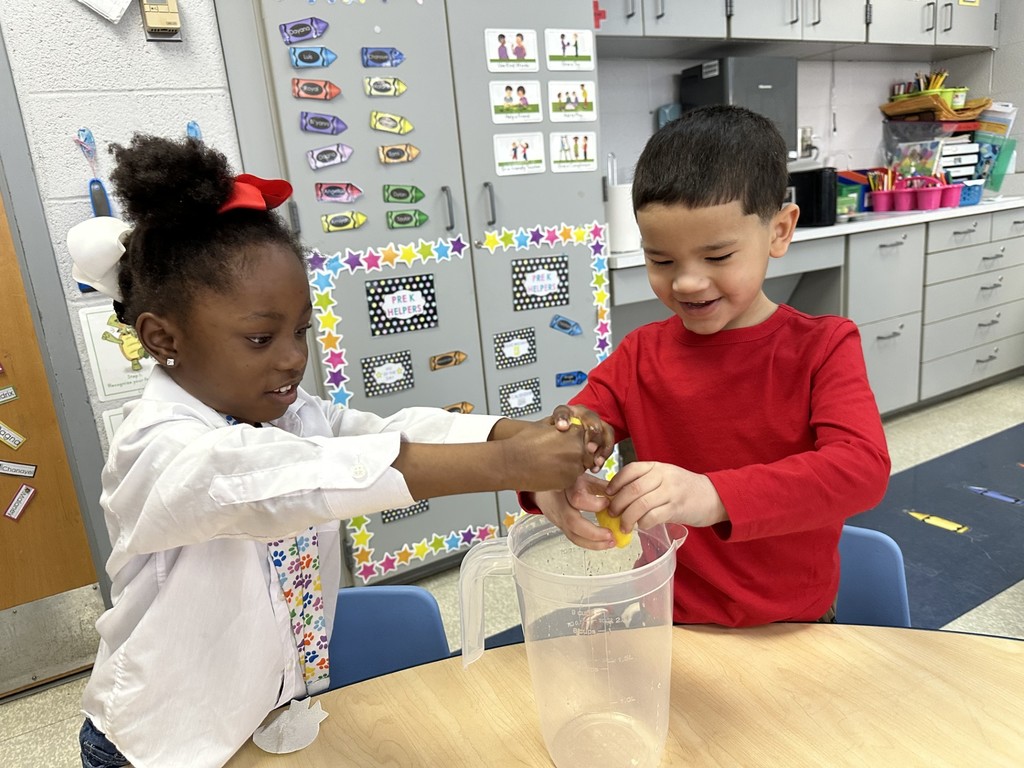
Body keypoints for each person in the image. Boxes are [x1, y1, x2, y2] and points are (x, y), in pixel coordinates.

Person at [68, 134, 610, 768]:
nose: (294, 357)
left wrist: (525, 434)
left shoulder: (291, 412)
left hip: (265, 714)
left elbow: (389, 434)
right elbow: (287, 481)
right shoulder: (159, 448)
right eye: (261, 337)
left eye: (299, 330)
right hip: (158, 744)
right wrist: (505, 466)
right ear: (164, 338)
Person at [526, 105, 891, 628]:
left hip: (792, 621)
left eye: (717, 257)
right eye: (662, 260)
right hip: (669, 618)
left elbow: (861, 470)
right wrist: (551, 470)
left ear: (779, 231)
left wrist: (711, 495)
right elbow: (578, 421)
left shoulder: (824, 347)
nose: (687, 283)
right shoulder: (640, 354)